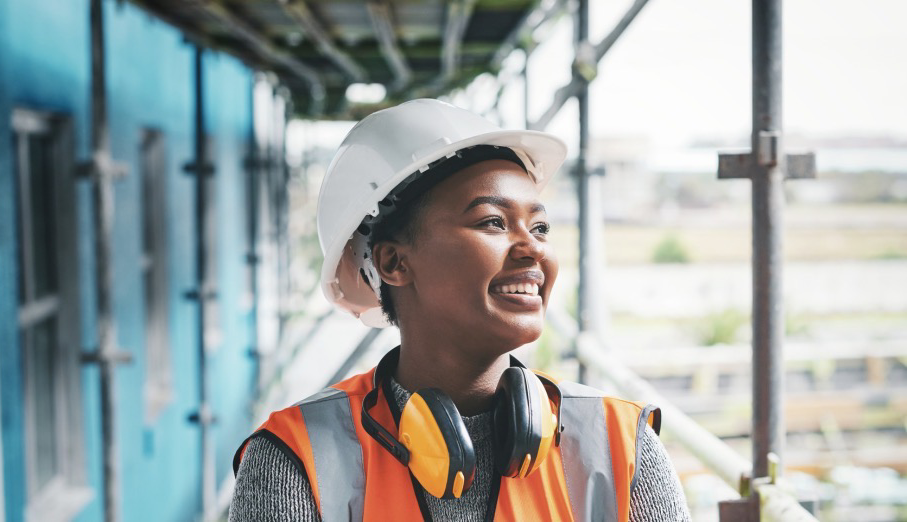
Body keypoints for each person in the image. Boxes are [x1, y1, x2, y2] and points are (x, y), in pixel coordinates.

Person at [229, 99, 691, 521]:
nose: (533, 248)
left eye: (541, 226)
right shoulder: (297, 459)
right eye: (493, 221)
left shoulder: (618, 445)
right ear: (394, 261)